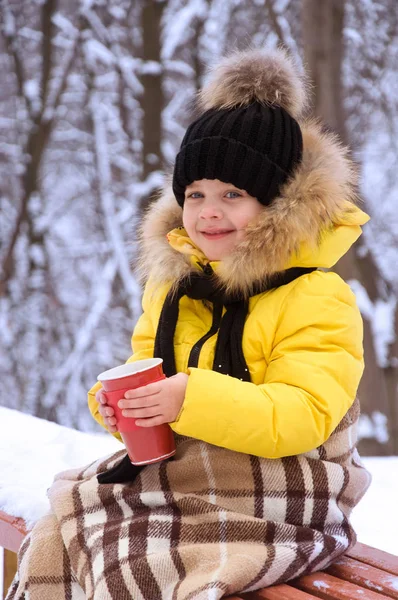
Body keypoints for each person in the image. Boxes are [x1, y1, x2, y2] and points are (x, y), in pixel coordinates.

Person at [8, 47, 371, 600]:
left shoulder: (316, 296)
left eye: (233, 195)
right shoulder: (175, 287)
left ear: (278, 206)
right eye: (195, 194)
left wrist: (189, 399)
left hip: (286, 485)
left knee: (138, 562)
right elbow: (144, 365)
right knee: (65, 524)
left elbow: (305, 416)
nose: (208, 212)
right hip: (188, 473)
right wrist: (116, 406)